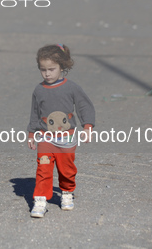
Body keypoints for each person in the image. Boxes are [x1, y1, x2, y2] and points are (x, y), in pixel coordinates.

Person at [27, 44, 95, 218]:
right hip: (45, 138)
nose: (47, 73)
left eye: (51, 69)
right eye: (43, 70)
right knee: (43, 169)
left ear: (62, 67)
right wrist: (32, 133)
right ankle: (40, 199)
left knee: (66, 169)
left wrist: (87, 126)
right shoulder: (39, 90)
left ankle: (66, 192)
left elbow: (84, 106)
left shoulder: (71, 88)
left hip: (67, 138)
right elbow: (35, 113)